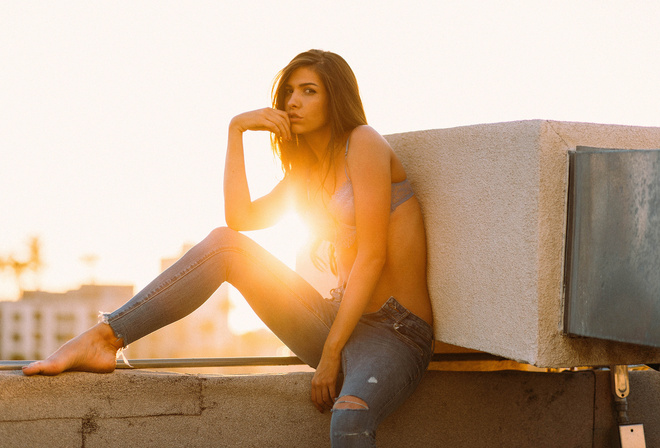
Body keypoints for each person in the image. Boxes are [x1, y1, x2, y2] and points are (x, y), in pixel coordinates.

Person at [22, 49, 434, 447]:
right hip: (339, 321)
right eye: (289, 91)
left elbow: (373, 256)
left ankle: (105, 339)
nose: (293, 101)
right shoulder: (306, 174)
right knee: (226, 245)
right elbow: (240, 220)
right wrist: (236, 129)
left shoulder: (362, 143)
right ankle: (106, 338)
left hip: (395, 331)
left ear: (335, 97)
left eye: (309, 91)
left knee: (351, 414)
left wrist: (330, 356)